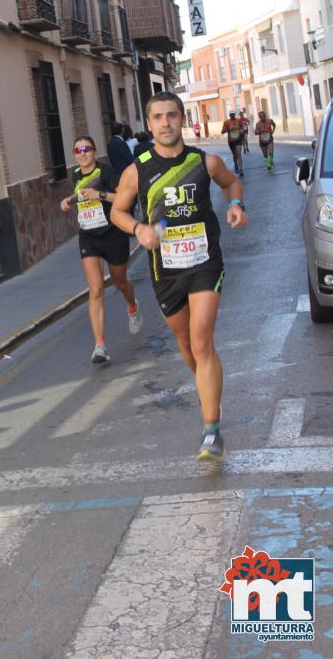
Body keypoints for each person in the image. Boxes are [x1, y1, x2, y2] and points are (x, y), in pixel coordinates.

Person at [111, 92, 248, 461]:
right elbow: (118, 212)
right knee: (186, 343)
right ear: (150, 123)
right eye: (158, 117)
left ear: (182, 118)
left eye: (172, 115)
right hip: (165, 269)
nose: (166, 122)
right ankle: (208, 385)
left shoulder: (205, 161)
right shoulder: (136, 170)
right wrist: (138, 229)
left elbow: (231, 183)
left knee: (202, 341)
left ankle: (211, 431)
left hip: (204, 262)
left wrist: (235, 204)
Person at [60, 135, 143, 364]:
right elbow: (81, 194)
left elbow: (125, 197)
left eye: (86, 149)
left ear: (95, 152)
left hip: (113, 235)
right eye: (78, 150)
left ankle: (132, 306)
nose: (82, 153)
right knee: (95, 289)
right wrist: (68, 200)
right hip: (89, 237)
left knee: (120, 282)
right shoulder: (76, 174)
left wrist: (100, 195)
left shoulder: (106, 172)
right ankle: (100, 346)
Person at [221, 110, 244, 177]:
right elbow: (222, 131)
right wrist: (228, 129)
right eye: (231, 114)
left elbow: (242, 128)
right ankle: (236, 164)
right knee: (235, 155)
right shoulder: (226, 122)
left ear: (234, 114)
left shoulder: (238, 121)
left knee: (239, 154)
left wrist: (241, 131)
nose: (232, 115)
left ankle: (240, 169)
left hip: (238, 139)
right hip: (231, 141)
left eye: (233, 114)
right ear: (229, 115)